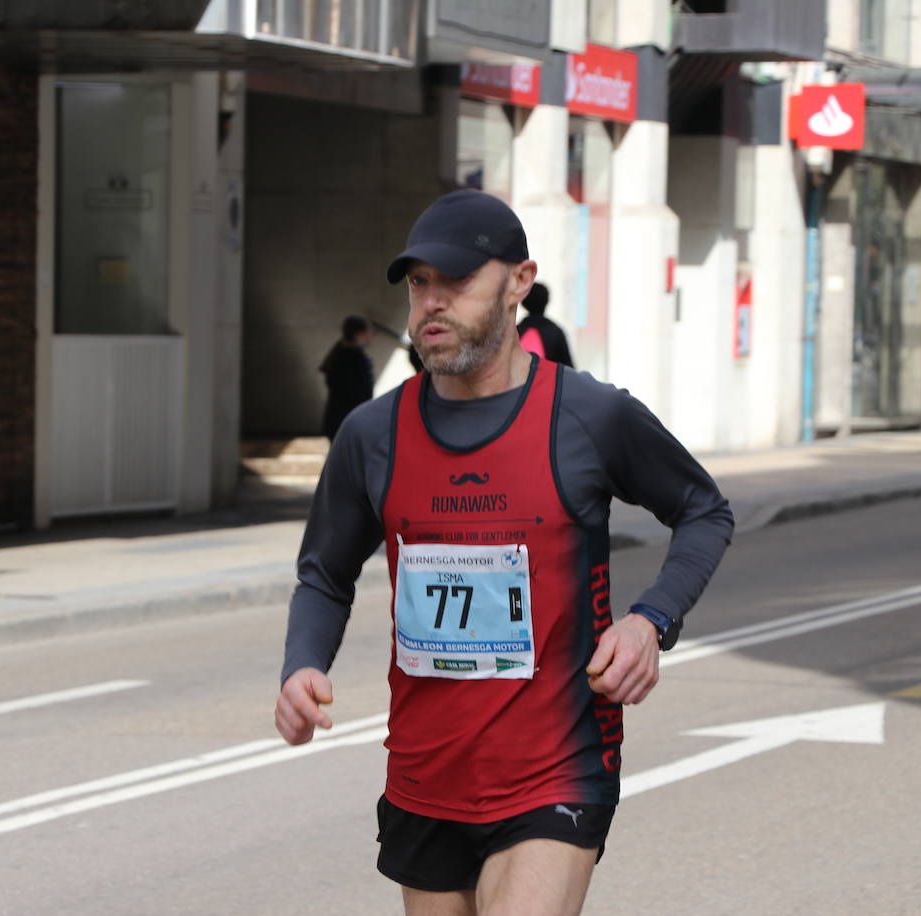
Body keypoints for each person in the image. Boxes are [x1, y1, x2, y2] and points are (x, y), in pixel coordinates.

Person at [273, 189, 734, 916]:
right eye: (419, 282)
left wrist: (651, 620)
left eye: (456, 281)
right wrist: (303, 665)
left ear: (520, 281)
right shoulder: (371, 435)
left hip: (556, 769)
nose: (431, 302)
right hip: (425, 775)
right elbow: (324, 574)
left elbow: (703, 510)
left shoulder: (590, 415)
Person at [318, 315, 375, 440]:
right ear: (360, 333)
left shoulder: (338, 354)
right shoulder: (357, 359)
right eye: (368, 331)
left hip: (337, 419)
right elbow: (364, 394)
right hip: (350, 421)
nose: (371, 334)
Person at [516, 282, 573, 367]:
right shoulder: (556, 332)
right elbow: (568, 369)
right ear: (547, 301)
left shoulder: (515, 331)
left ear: (523, 302)